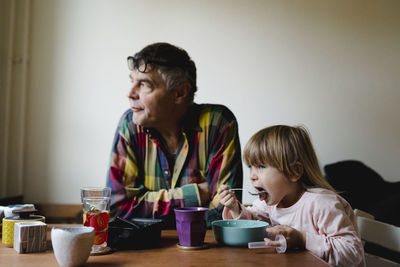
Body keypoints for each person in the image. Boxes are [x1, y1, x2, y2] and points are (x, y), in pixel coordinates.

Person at [107, 42, 243, 227]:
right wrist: (197, 194)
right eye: (132, 81)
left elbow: (223, 213)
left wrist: (147, 211)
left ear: (179, 93)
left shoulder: (217, 124)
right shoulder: (130, 125)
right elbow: (117, 208)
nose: (130, 93)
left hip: (205, 251)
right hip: (146, 250)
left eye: (144, 84)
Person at [218, 125, 365, 267]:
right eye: (251, 167)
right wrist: (235, 208)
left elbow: (352, 253)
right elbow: (252, 224)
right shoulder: (271, 203)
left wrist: (302, 239)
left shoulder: (322, 204)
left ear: (294, 172)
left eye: (261, 166)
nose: (252, 176)